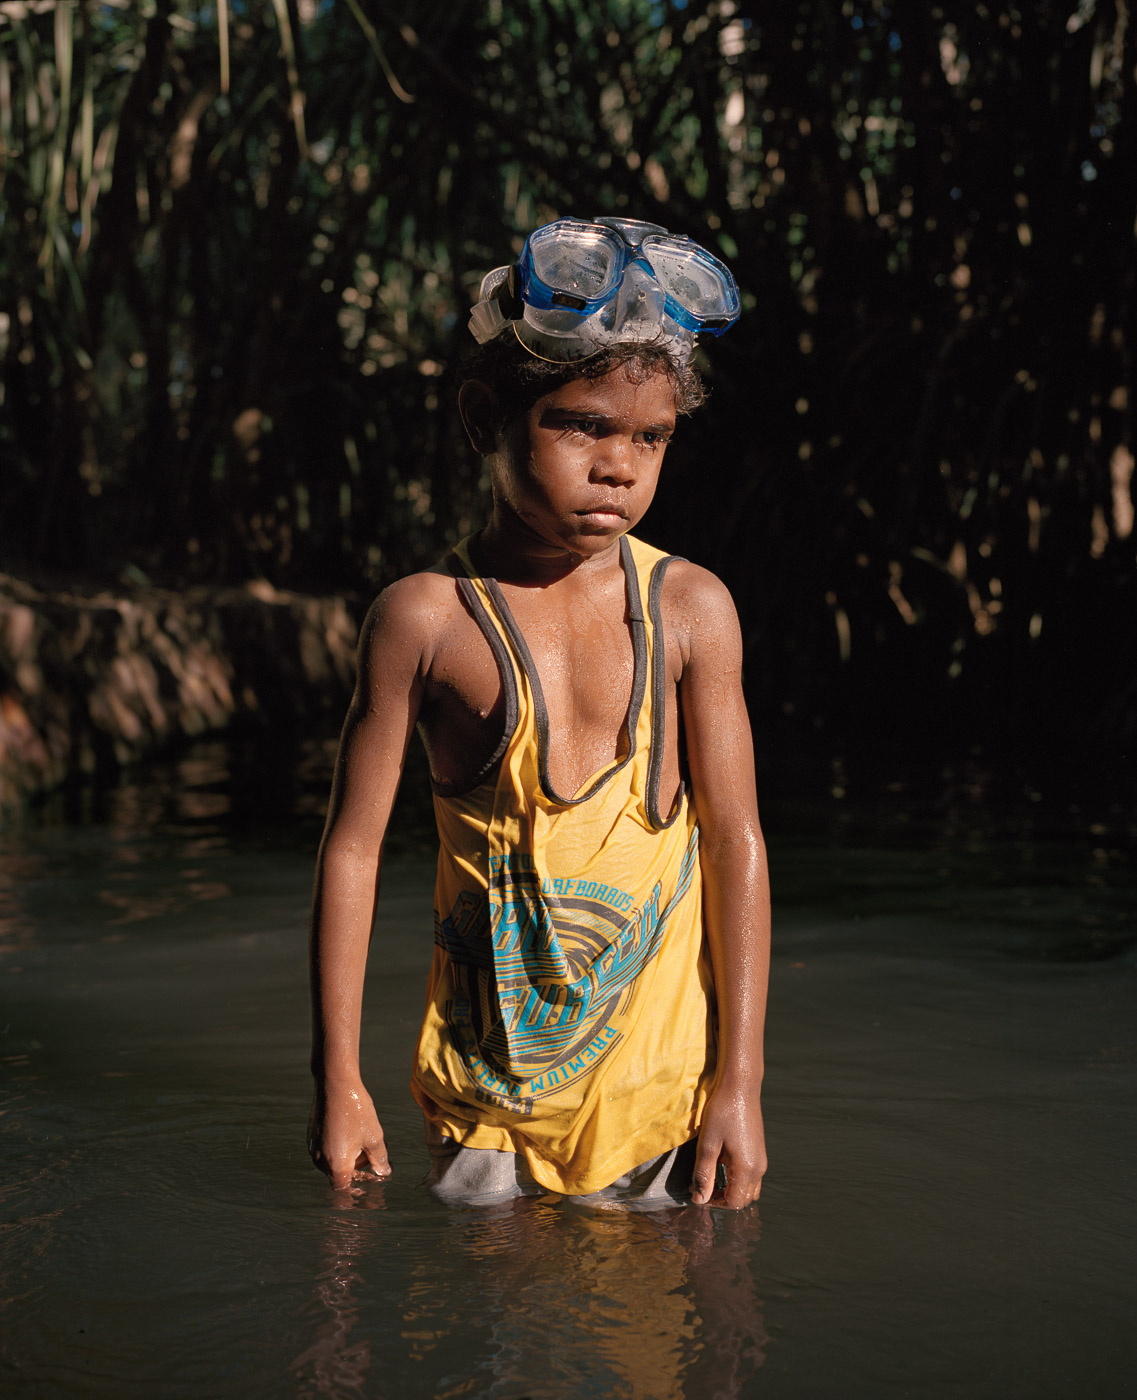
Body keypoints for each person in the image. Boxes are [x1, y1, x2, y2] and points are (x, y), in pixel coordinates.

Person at [308, 216, 770, 1209]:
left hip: (665, 1101)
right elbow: (350, 851)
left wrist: (741, 1083)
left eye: (651, 436)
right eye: (582, 425)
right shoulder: (425, 621)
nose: (621, 465)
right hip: (487, 1111)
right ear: (485, 420)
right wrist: (338, 1080)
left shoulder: (692, 612)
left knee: (676, 1340)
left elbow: (735, 844)